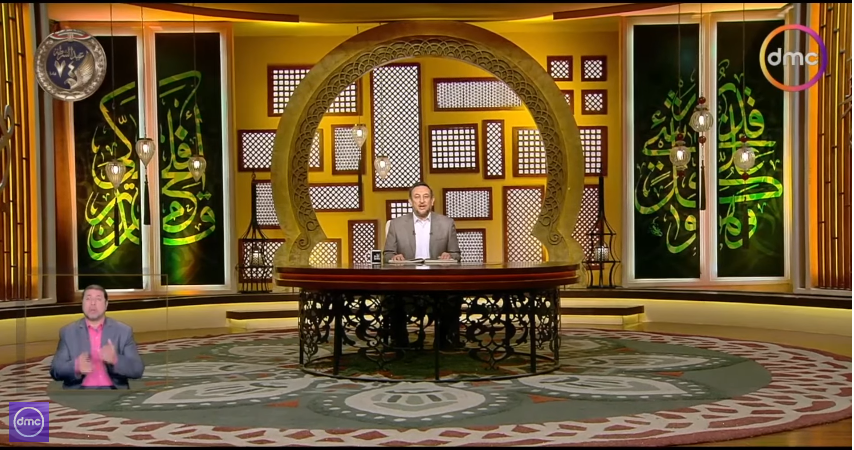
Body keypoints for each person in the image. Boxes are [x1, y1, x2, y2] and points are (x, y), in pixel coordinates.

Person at [383, 182, 464, 350]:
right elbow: (387, 255)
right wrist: (394, 257)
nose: (421, 201)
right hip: (406, 284)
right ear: (410, 201)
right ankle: (400, 342)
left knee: (453, 295)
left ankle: (444, 341)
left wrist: (449, 256)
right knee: (391, 296)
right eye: (417, 197)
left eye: (426, 197)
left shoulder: (447, 223)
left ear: (432, 201)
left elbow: (456, 254)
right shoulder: (396, 224)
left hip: (438, 283)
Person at [49, 284, 145, 389]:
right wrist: (76, 366)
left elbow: (137, 370)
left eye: (98, 299)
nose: (93, 303)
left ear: (106, 304)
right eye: (88, 299)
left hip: (114, 393)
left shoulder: (123, 331)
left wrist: (116, 359)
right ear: (82, 303)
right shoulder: (68, 332)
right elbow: (56, 371)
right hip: (79, 394)